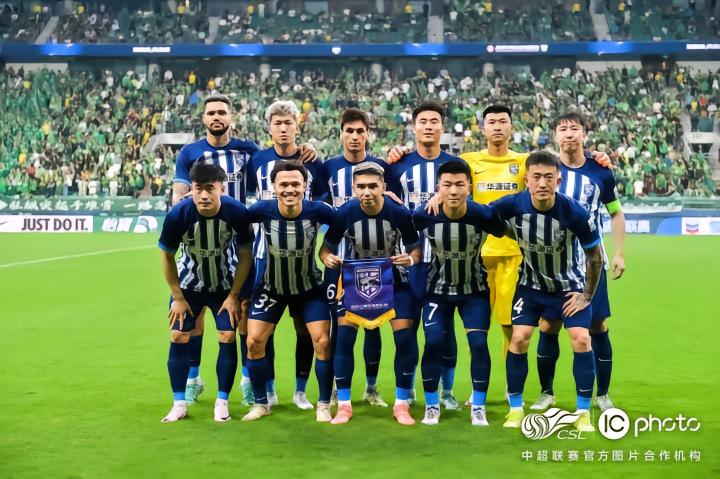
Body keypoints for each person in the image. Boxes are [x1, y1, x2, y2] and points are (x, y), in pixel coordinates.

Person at [491, 151, 603, 432]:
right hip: (530, 287)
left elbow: (596, 257)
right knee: (519, 338)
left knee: (581, 339)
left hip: (568, 289)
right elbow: (481, 214)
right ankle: (516, 409)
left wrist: (586, 296)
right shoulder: (513, 204)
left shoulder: (575, 212)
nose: (542, 183)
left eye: (549, 178)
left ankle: (582, 412)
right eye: (537, 177)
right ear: (526, 180)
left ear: (558, 181)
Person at [530, 113, 625, 413]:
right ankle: (546, 393)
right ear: (555, 136)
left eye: (575, 128)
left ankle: (603, 394)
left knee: (597, 325)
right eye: (563, 129)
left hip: (589, 265)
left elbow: (616, 213)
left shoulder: (600, 171)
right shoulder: (545, 169)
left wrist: (619, 253)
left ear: (585, 134)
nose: (569, 134)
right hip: (551, 265)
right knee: (549, 325)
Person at [172, 94, 258, 404]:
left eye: (222, 112)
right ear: (204, 118)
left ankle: (248, 381)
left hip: (240, 243)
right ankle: (193, 379)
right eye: (211, 113)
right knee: (194, 320)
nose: (217, 117)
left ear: (231, 117)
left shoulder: (248, 151)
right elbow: (179, 193)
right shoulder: (190, 153)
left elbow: (269, 175)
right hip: (203, 241)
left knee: (242, 314)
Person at [320, 162, 421, 425]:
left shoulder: (398, 213)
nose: (367, 192)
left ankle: (401, 404)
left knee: (405, 339)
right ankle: (344, 405)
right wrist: (328, 258)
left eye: (373, 186)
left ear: (383, 187)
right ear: (353, 188)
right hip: (355, 282)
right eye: (361, 186)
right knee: (344, 339)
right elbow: (325, 248)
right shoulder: (345, 213)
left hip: (393, 281)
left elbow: (415, 247)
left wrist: (410, 259)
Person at [244, 100, 328, 410]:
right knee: (262, 329)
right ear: (269, 128)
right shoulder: (257, 160)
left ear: (297, 126)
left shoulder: (311, 161)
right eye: (277, 123)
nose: (283, 128)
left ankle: (301, 391)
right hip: (264, 256)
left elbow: (324, 204)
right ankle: (266, 391)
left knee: (304, 329)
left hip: (302, 257)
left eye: (288, 123)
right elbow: (246, 199)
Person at [412, 160, 509, 426]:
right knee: (433, 342)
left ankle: (478, 406)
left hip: (474, 291)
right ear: (438, 188)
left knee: (478, 344)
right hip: (436, 291)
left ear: (469, 187)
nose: (453, 191)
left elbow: (506, 230)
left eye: (459, 184)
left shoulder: (483, 215)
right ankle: (432, 406)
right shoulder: (424, 214)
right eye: (447, 185)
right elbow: (402, 227)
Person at [158, 163, 253, 423]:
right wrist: (178, 297)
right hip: (189, 286)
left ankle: (222, 402)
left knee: (227, 335)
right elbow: (166, 256)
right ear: (191, 189)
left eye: (210, 188)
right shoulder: (178, 215)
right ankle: (179, 403)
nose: (203, 195)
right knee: (178, 336)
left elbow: (245, 255)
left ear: (221, 189)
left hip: (224, 286)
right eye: (198, 189)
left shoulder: (236, 212)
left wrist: (234, 296)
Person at [385, 101, 465, 409]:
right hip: (408, 262)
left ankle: (447, 392)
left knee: (444, 332)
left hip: (446, 262)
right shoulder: (398, 165)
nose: (428, 126)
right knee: (406, 333)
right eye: (423, 121)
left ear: (442, 127)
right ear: (414, 127)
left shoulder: (456, 165)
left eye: (434, 121)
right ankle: (406, 390)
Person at [321, 108, 401, 408]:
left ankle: (371, 387)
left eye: (360, 131)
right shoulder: (327, 168)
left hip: (376, 263)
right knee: (338, 328)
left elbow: (395, 201)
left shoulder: (383, 167)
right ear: (340, 133)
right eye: (349, 131)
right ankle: (336, 389)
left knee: (374, 325)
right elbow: (318, 203)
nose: (355, 137)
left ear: (368, 134)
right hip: (341, 263)